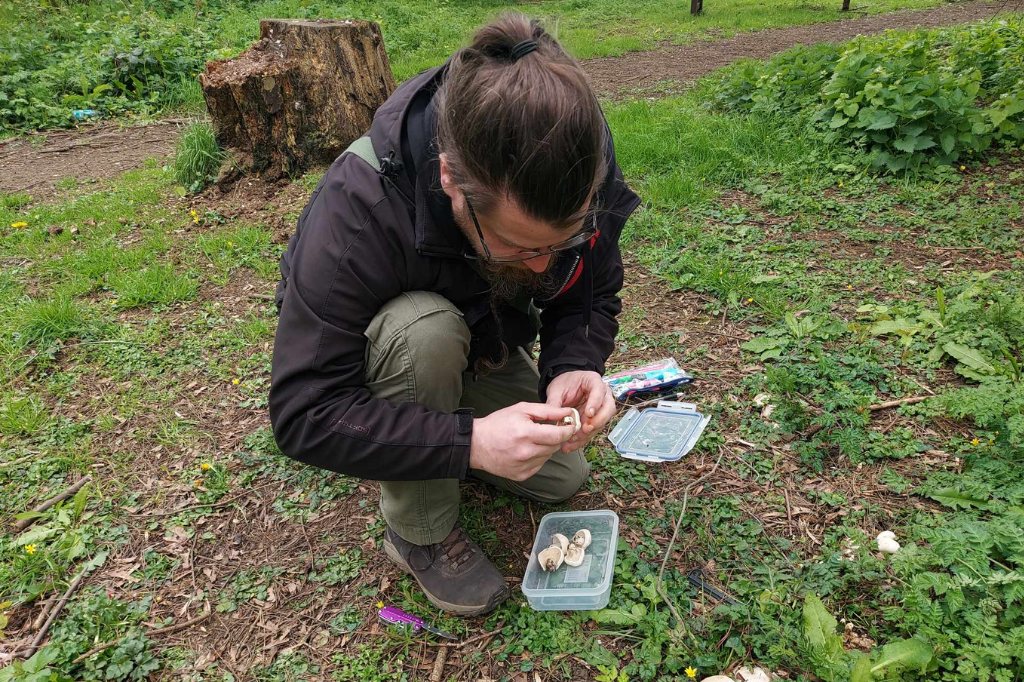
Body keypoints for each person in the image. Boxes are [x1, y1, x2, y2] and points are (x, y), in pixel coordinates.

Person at [269, 12, 640, 616]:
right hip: (398, 349)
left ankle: (440, 425)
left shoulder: (578, 163)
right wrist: (468, 442)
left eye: (561, 242)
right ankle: (419, 532)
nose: (544, 269)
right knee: (424, 333)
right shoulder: (359, 208)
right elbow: (304, 411)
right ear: (451, 181)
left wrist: (574, 363)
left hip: (480, 334)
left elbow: (591, 288)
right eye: (521, 248)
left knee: (561, 480)